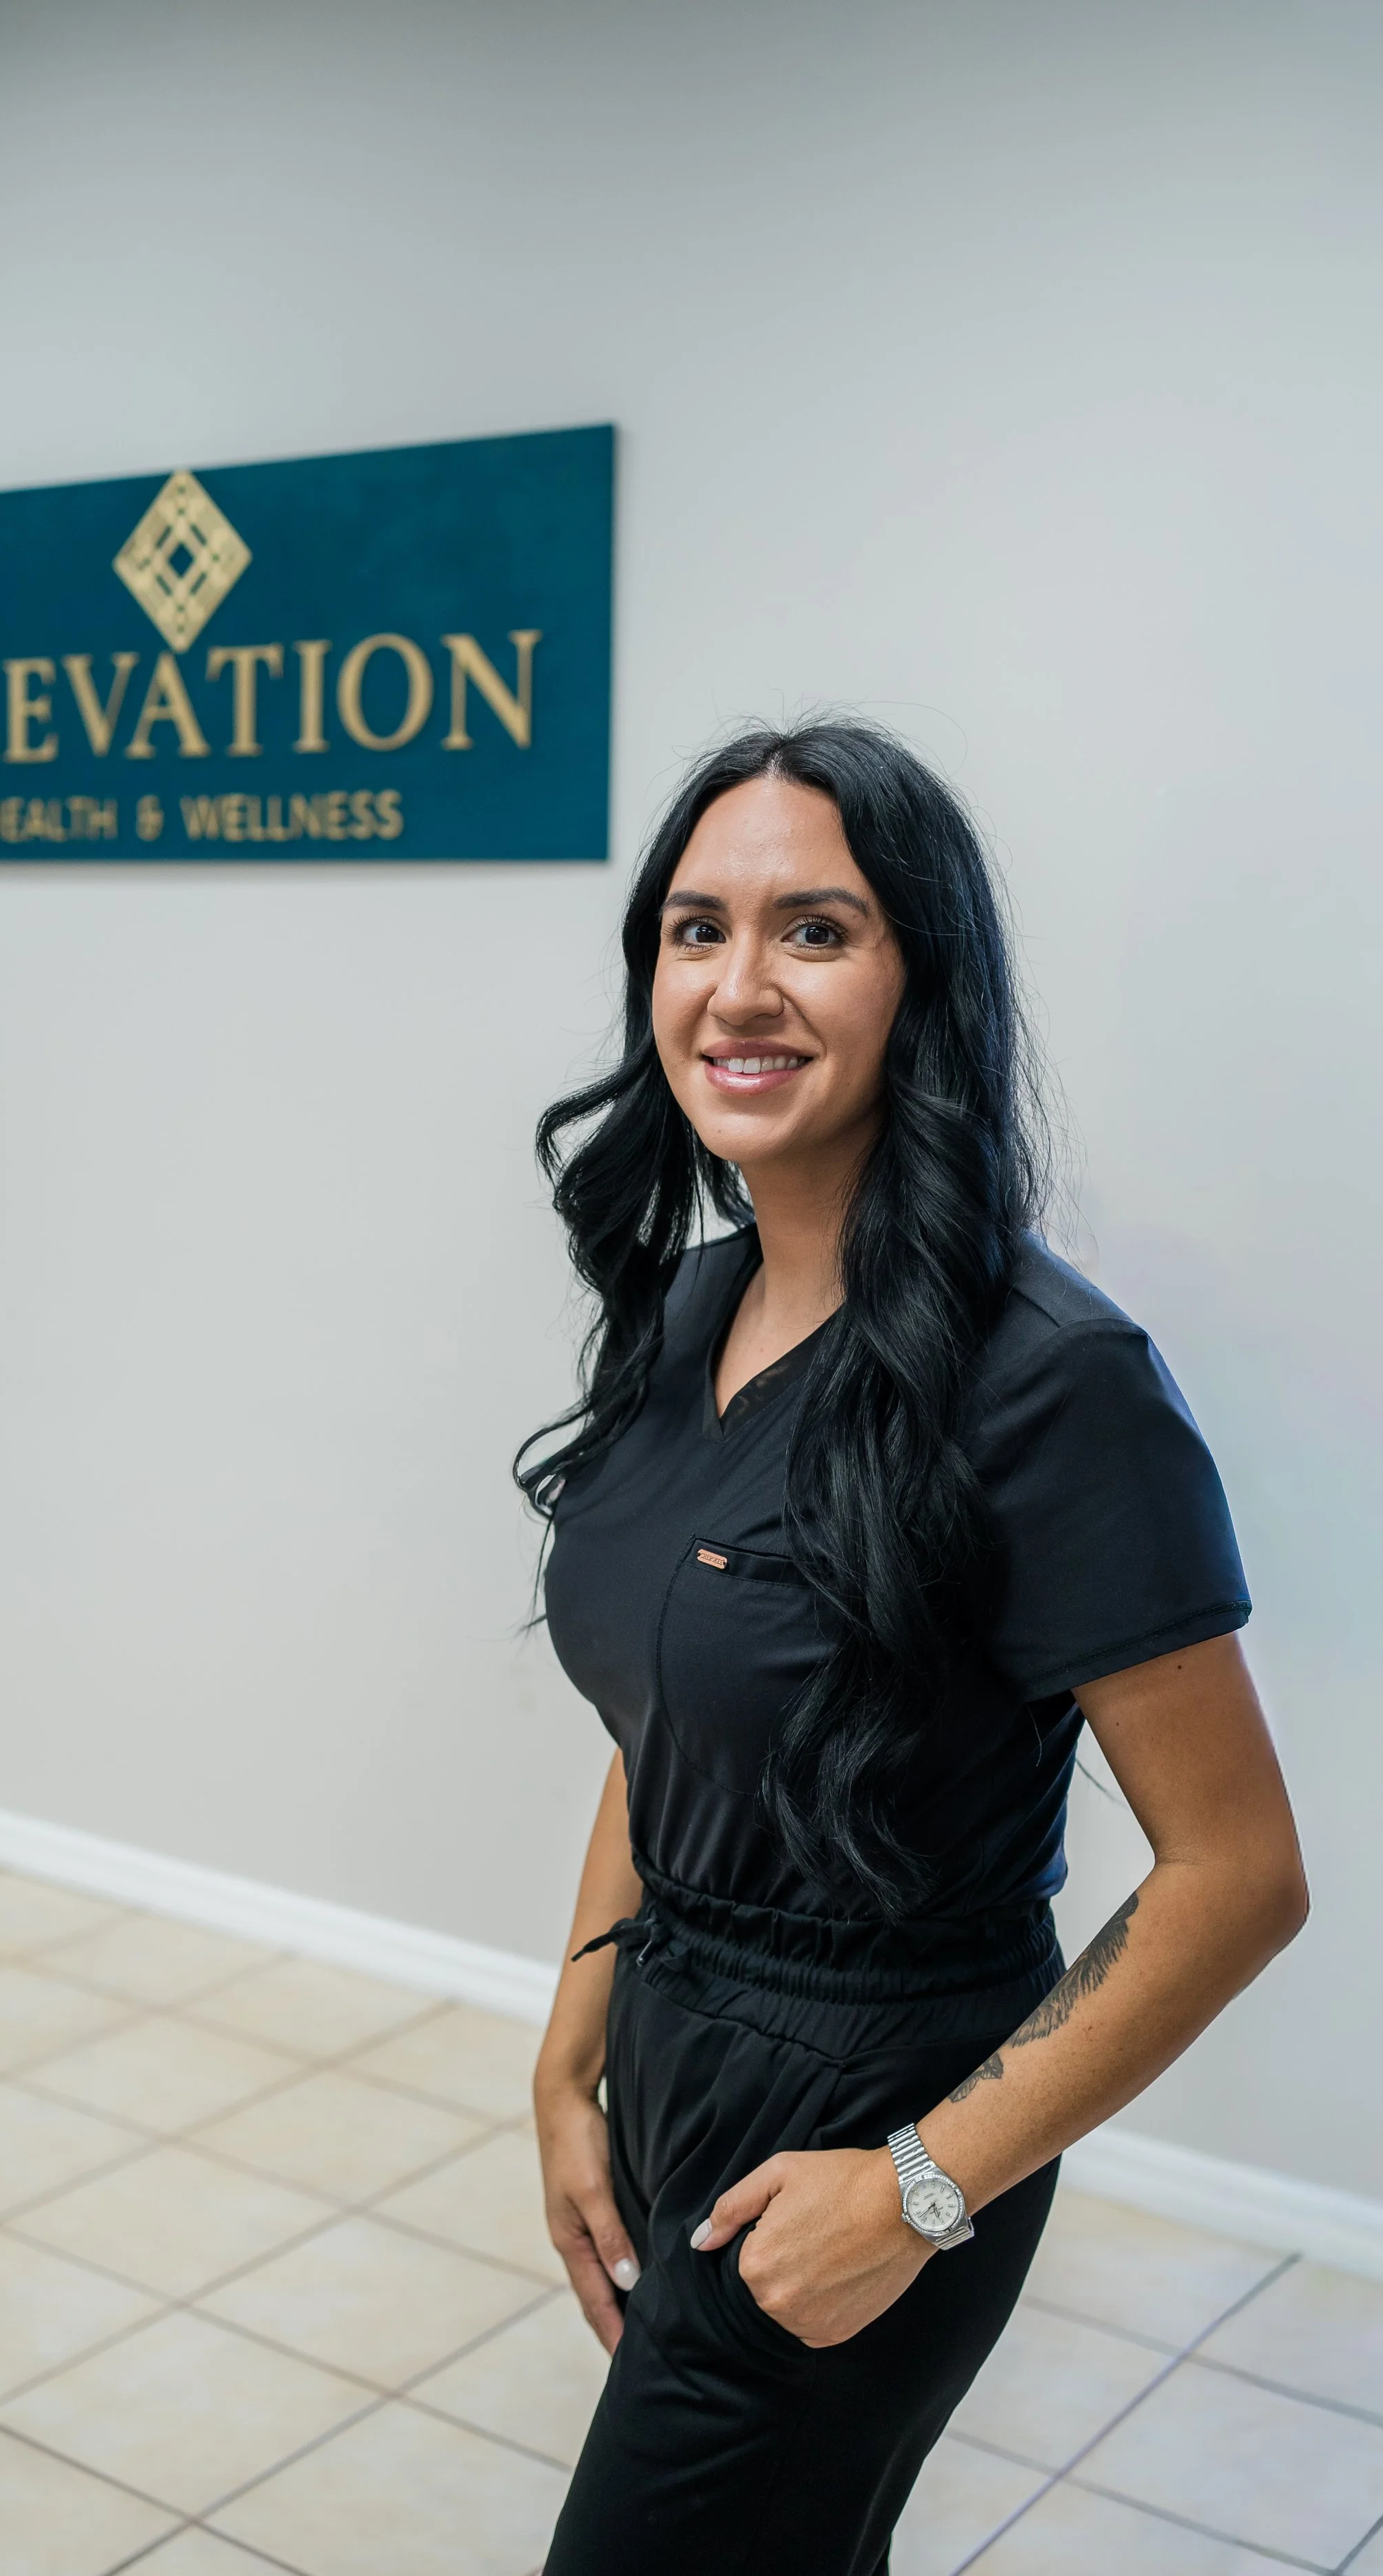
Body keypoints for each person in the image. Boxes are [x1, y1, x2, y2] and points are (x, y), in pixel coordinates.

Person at [521, 722, 1307, 2576]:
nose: (736, 985)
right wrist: (568, 2048)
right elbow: (666, 1717)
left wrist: (921, 2185)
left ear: (919, 979)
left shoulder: (1049, 1381)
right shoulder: (687, 1304)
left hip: (869, 2109)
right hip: (669, 2055)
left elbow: (1238, 1873)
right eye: (694, 927)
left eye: (814, 929)